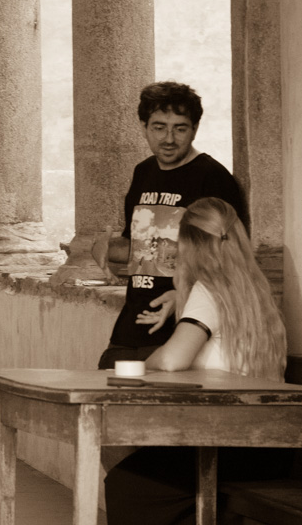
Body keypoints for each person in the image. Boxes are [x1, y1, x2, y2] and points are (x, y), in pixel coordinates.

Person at [90, 197, 289, 525]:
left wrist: (140, 362)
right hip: (266, 445)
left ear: (191, 245)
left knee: (131, 483)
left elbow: (173, 359)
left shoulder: (209, 291)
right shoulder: (256, 291)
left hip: (229, 446)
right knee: (157, 473)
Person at [93, 81, 249, 370]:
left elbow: (233, 256)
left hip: (182, 331)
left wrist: (184, 294)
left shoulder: (213, 178)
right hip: (130, 327)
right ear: (143, 126)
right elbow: (138, 246)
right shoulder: (143, 172)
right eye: (159, 127)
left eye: (180, 128)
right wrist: (103, 249)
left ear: (195, 129)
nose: (168, 139)